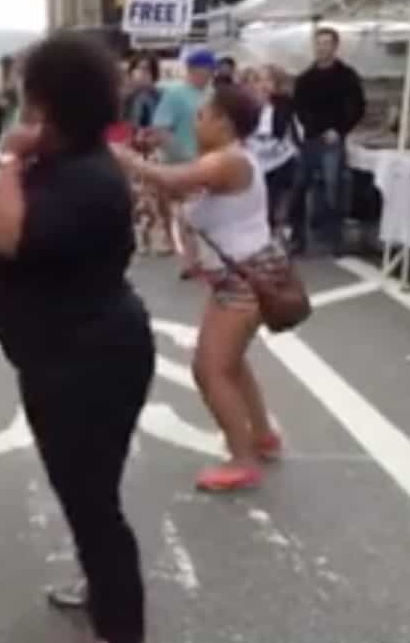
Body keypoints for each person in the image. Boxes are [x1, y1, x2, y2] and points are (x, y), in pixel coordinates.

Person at [0, 33, 155, 643]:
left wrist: (6, 160)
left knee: (93, 508)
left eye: (29, 100)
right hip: (71, 352)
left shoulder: (84, 178)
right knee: (91, 492)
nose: (21, 111)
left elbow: (7, 238)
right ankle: (99, 591)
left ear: (50, 106)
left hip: (85, 362)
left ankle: (119, 625)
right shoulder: (66, 163)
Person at [115, 83, 284, 493]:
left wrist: (126, 158)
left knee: (210, 370)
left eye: (203, 116)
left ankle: (242, 458)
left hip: (243, 281)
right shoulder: (223, 160)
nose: (196, 122)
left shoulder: (229, 161)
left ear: (225, 122)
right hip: (240, 278)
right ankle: (262, 435)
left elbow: (172, 179)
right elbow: (178, 189)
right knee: (232, 363)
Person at [293, 26, 366, 255]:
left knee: (333, 187)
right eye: (318, 43)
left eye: (326, 43)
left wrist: (340, 130)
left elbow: (358, 107)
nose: (322, 48)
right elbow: (300, 108)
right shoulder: (305, 78)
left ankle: (335, 238)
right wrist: (313, 128)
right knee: (299, 187)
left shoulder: (347, 76)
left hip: (334, 139)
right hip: (311, 139)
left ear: (335, 47)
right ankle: (299, 238)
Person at [151, 49, 217, 276]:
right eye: (206, 70)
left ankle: (205, 258)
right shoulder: (176, 95)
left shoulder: (213, 94)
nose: (209, 75)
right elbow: (160, 129)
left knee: (206, 209)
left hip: (209, 159)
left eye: (211, 70)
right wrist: (181, 152)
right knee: (187, 211)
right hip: (183, 162)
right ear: (193, 70)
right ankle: (191, 260)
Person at [246, 65, 301, 241]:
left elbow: (287, 131)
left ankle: (280, 234)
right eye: (258, 80)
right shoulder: (244, 106)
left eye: (268, 80)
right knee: (259, 205)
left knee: (279, 202)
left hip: (281, 161)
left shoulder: (284, 105)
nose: (263, 85)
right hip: (255, 162)